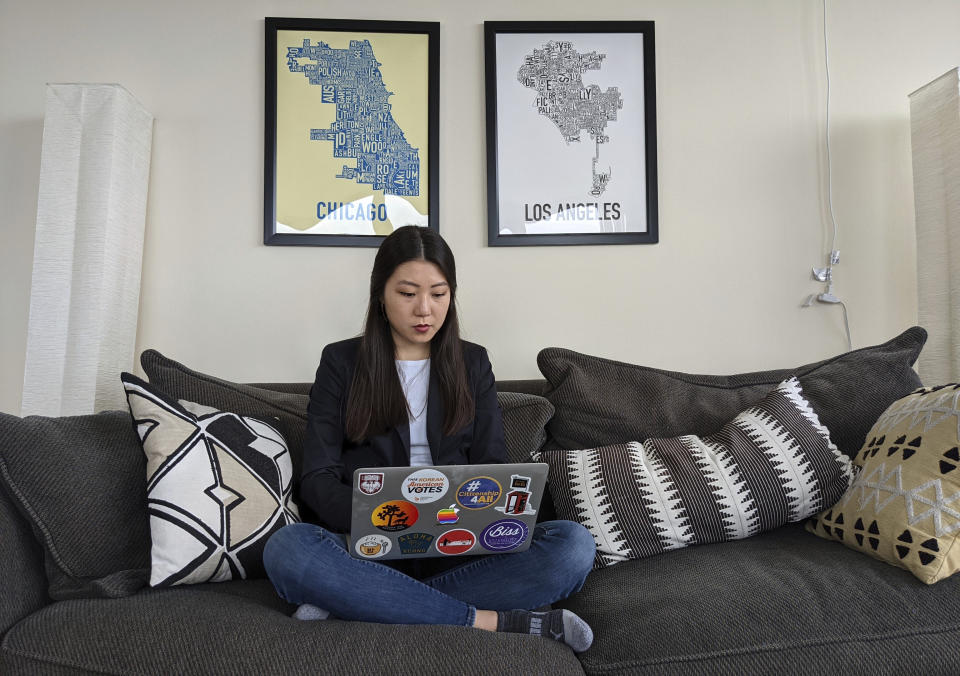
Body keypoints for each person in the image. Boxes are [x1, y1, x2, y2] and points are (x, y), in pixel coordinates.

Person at [263, 226, 596, 653]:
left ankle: (360, 602)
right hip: (369, 545)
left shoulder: (472, 362)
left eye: (439, 294)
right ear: (380, 294)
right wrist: (386, 515)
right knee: (290, 549)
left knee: (572, 545)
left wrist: (478, 514)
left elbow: (491, 467)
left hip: (458, 548)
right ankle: (489, 620)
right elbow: (318, 478)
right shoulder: (341, 361)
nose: (425, 310)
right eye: (407, 293)